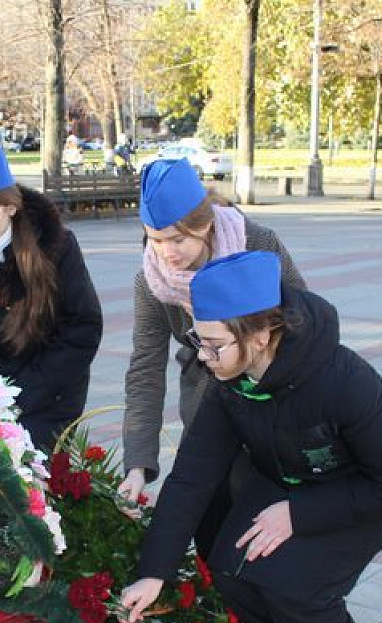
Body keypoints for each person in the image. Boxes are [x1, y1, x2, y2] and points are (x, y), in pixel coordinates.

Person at [120, 251, 382, 623]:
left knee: (293, 586)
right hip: (284, 484)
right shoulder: (231, 382)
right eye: (198, 341)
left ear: (260, 335)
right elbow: (192, 475)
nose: (203, 356)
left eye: (214, 345)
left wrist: (298, 515)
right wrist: (153, 571)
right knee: (229, 569)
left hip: (360, 495)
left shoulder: (344, 381)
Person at [118, 157, 306, 555]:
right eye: (154, 238)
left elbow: (305, 321)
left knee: (261, 528)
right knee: (208, 521)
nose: (166, 252)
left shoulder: (259, 244)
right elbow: (145, 372)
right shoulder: (150, 282)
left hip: (273, 400)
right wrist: (137, 464)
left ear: (203, 225)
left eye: (177, 239)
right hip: (207, 402)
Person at [0, 146, 103, 451]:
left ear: (10, 207)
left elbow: (84, 326)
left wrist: (30, 389)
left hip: (55, 380)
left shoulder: (56, 244)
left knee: (35, 471)